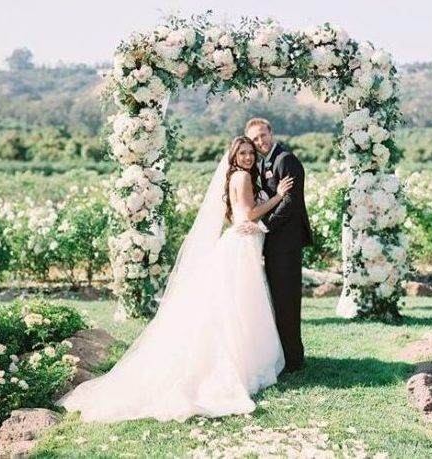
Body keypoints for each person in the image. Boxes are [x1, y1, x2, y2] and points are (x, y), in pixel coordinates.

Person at [58, 136, 293, 422]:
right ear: (233, 157)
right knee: (237, 305)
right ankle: (235, 364)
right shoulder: (242, 176)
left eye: (250, 153)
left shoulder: (238, 176)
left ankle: (241, 360)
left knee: (234, 305)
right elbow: (246, 215)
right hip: (241, 245)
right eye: (242, 153)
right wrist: (279, 196)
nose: (247, 157)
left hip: (241, 242)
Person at [240, 118, 313, 373]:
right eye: (255, 139)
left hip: (286, 245)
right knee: (277, 302)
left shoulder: (285, 160)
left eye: (263, 135)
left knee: (287, 302)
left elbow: (290, 202)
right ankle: (285, 355)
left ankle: (294, 360)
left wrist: (262, 226)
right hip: (274, 245)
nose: (260, 141)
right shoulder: (264, 163)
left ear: (271, 133)